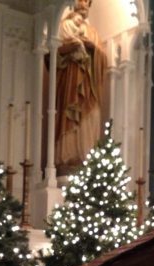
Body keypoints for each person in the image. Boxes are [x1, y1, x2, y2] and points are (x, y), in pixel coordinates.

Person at [50, 0, 107, 175]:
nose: (84, 5)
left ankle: (86, 158)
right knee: (69, 114)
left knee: (92, 114)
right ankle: (67, 158)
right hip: (69, 81)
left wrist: (93, 48)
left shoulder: (93, 33)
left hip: (89, 86)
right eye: (81, 1)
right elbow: (51, 55)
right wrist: (69, 48)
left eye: (87, 2)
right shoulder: (63, 25)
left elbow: (103, 61)